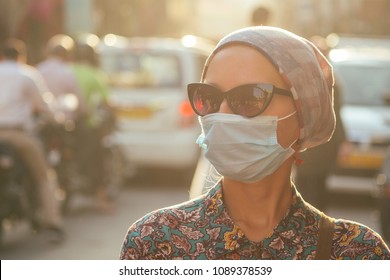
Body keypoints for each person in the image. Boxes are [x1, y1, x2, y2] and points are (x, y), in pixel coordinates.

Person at [119, 26, 390, 260]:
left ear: (303, 111)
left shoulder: (354, 252)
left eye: (249, 97)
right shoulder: (154, 241)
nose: (221, 114)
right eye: (209, 97)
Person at [0, 38, 65, 243]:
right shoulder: (27, 74)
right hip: (17, 135)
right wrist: (57, 117)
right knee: (44, 176)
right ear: (21, 56)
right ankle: (53, 222)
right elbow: (44, 105)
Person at [294, 35, 346, 210]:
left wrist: (343, 141)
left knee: (319, 187)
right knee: (302, 187)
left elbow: (336, 114)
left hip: (323, 144)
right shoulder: (296, 82)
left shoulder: (332, 84)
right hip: (304, 145)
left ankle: (317, 229)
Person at [70, 37, 116, 213]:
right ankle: (101, 201)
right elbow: (107, 102)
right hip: (86, 125)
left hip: (64, 124)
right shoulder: (95, 74)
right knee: (99, 161)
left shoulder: (67, 70)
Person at [36, 34, 87, 122]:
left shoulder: (38, 69)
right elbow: (78, 99)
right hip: (62, 122)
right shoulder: (67, 72)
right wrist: (85, 112)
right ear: (67, 54)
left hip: (41, 119)